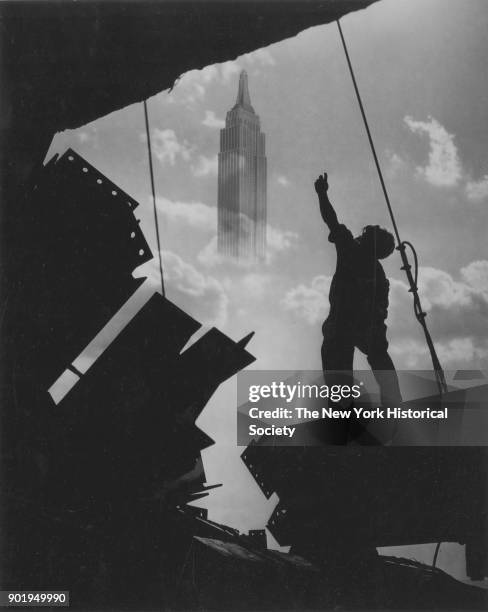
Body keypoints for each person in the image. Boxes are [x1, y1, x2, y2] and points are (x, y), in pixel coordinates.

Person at [314, 171, 402, 412]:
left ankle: (342, 411)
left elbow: (331, 219)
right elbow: (381, 312)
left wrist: (322, 194)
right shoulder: (380, 275)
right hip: (363, 326)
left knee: (339, 368)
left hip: (344, 324)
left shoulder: (351, 250)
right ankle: (392, 404)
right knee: (379, 357)